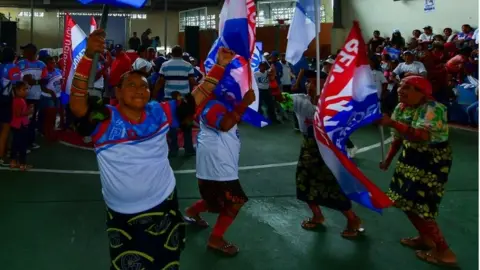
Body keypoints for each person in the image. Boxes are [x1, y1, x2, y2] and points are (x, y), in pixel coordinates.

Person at [69, 29, 235, 269]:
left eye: (144, 85)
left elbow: (193, 99)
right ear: (117, 92)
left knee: (167, 261)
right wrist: (88, 57)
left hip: (164, 203)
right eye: (131, 84)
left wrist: (219, 67)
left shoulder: (159, 112)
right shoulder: (104, 119)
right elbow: (77, 105)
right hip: (123, 215)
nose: (139, 89)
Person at [376, 76, 457, 267]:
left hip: (431, 161)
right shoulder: (401, 107)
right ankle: (425, 238)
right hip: (410, 157)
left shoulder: (433, 109)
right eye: (401, 86)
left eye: (409, 88)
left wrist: (393, 124)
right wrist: (388, 159)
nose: (401, 90)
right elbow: (398, 138)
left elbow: (422, 135)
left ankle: (444, 251)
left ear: (423, 93)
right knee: (405, 201)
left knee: (422, 206)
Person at [185, 88, 256, 256]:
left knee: (215, 197)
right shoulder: (213, 105)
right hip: (218, 162)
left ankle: (192, 212)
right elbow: (224, 125)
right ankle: (215, 239)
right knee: (235, 201)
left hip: (216, 160)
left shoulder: (219, 103)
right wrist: (244, 103)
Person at [292, 70, 363, 238]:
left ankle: (353, 219)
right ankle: (317, 215)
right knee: (304, 182)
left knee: (333, 186)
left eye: (315, 82)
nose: (310, 85)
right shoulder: (300, 100)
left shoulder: (337, 103)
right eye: (308, 82)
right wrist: (273, 81)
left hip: (330, 149)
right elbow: (279, 98)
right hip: (308, 147)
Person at [154, 45, 197, 157]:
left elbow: (160, 81)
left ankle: (173, 149)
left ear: (172, 53)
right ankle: (189, 149)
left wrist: (153, 94)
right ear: (182, 53)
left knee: (172, 124)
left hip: (170, 100)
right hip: (184, 100)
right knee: (187, 124)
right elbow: (192, 81)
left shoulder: (165, 65)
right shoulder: (188, 65)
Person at [17, 43, 48, 150]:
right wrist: (25, 81)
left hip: (35, 97)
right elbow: (17, 79)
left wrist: (34, 82)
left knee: (31, 120)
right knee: (22, 120)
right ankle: (23, 143)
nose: (23, 53)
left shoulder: (42, 65)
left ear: (32, 53)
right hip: (22, 98)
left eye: (25, 51)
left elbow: (45, 80)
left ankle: (30, 141)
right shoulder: (20, 63)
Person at [0, 47, 22, 166]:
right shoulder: (14, 68)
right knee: (5, 130)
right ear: (14, 57)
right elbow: (16, 88)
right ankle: (1, 156)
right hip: (6, 101)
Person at [10, 81, 32, 170]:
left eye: (27, 89)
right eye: (24, 89)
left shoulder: (17, 100)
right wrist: (29, 112)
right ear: (17, 91)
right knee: (22, 145)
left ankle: (13, 161)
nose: (26, 91)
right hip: (21, 126)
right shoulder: (19, 101)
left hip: (16, 125)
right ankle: (23, 164)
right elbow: (19, 114)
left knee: (15, 144)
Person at [39, 56, 61, 142]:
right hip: (48, 98)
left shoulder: (58, 71)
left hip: (57, 97)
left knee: (54, 116)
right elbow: (42, 87)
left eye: (54, 62)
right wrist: (52, 93)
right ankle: (47, 134)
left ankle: (51, 132)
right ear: (46, 64)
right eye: (51, 63)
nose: (53, 64)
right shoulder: (45, 73)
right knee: (48, 117)